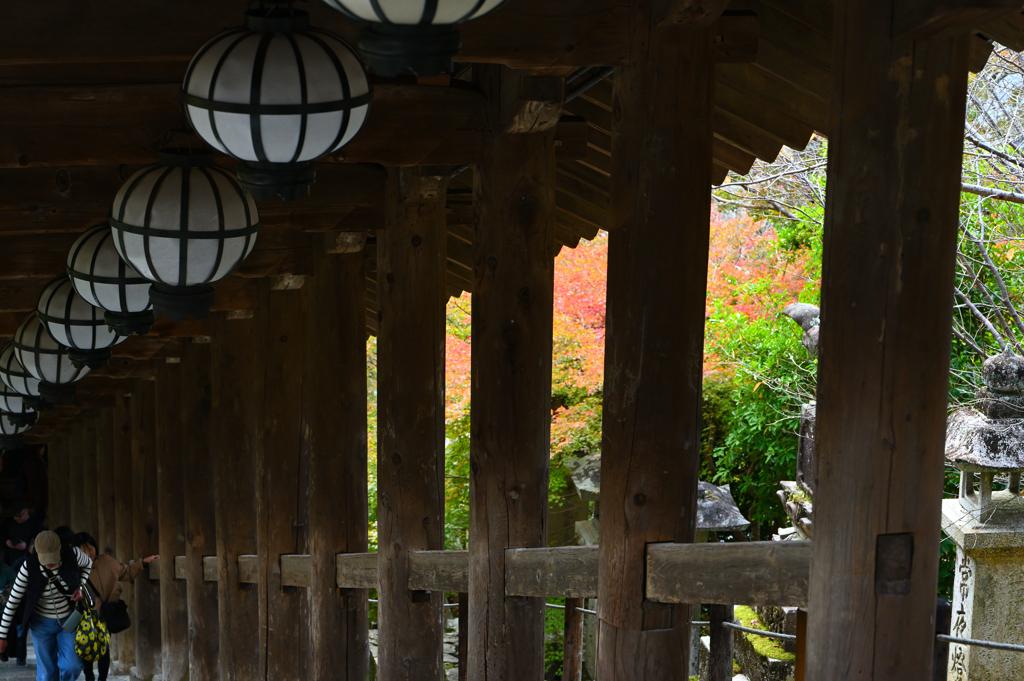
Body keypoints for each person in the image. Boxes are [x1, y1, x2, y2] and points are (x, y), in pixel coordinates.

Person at [0, 531, 92, 681]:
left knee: (73, 667)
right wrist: (2, 635)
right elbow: (12, 602)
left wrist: (80, 586)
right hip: (40, 623)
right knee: (47, 674)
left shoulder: (73, 554)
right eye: (45, 559)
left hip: (69, 620)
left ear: (60, 549)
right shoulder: (28, 567)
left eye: (52, 558)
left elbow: (88, 563)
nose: (49, 563)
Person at [71, 533, 156, 681]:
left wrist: (143, 562)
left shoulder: (107, 561)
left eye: (90, 549)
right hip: (86, 615)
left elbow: (126, 572)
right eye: (83, 551)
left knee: (104, 646)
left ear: (95, 547)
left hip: (106, 613)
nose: (88, 554)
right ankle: (89, 677)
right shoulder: (74, 568)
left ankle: (102, 678)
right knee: (87, 645)